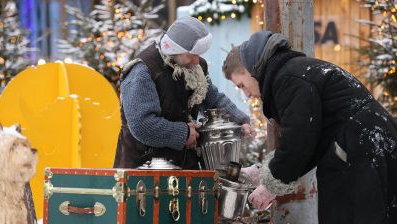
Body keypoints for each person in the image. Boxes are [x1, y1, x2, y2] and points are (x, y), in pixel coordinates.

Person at [222, 31, 397, 224]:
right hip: (368, 141)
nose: (246, 94)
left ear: (249, 69)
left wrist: (271, 185)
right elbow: (307, 143)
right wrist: (265, 171)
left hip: (359, 146)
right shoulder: (292, 72)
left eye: (241, 85)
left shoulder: (288, 79)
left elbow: (299, 141)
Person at [113, 16, 255, 170]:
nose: (196, 60)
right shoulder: (143, 71)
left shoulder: (195, 66)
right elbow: (142, 125)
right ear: (174, 49)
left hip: (183, 166)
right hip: (142, 172)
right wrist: (183, 133)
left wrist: (239, 120)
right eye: (192, 54)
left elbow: (212, 97)